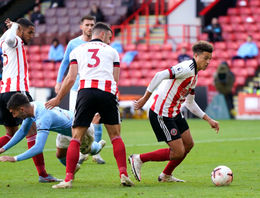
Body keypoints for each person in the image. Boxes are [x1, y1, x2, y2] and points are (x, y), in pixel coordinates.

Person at [45, 22, 134, 188]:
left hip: (85, 92)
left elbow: (71, 78)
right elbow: (116, 79)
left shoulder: (77, 50)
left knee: (76, 137)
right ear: (102, 35)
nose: (110, 40)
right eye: (109, 37)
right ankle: (123, 175)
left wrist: (58, 99)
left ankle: (68, 180)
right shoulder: (113, 51)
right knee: (115, 136)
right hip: (107, 92)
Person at [0, 18, 58, 183]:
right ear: (20, 30)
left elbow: (2, 39)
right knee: (33, 132)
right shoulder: (15, 41)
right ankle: (43, 175)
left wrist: (11, 28)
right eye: (30, 32)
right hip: (18, 93)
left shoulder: (4, 42)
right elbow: (12, 38)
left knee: (10, 133)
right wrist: (14, 27)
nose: (31, 36)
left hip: (3, 93)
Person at [128, 41, 219, 183]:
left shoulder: (194, 75)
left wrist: (209, 119)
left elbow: (189, 103)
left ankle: (166, 175)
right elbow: (159, 75)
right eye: (205, 58)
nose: (208, 62)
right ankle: (138, 159)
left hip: (174, 113)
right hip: (161, 114)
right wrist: (145, 99)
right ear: (196, 55)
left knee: (188, 144)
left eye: (210, 59)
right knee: (178, 152)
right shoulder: (186, 68)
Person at [0, 93, 106, 173]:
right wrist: (3, 149)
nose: (14, 116)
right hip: (66, 128)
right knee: (60, 155)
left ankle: (98, 146)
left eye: (13, 113)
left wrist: (14, 158)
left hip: (82, 128)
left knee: (89, 150)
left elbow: (38, 148)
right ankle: (73, 168)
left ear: (21, 110)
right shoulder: (32, 107)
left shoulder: (42, 117)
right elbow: (23, 131)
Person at [55, 15, 106, 164]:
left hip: (96, 86)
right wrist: (59, 82)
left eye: (92, 25)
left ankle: (96, 154)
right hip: (77, 88)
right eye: (87, 25)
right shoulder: (73, 43)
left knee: (96, 118)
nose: (90, 27)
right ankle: (82, 151)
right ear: (81, 26)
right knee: (76, 120)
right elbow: (65, 63)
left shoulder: (100, 43)